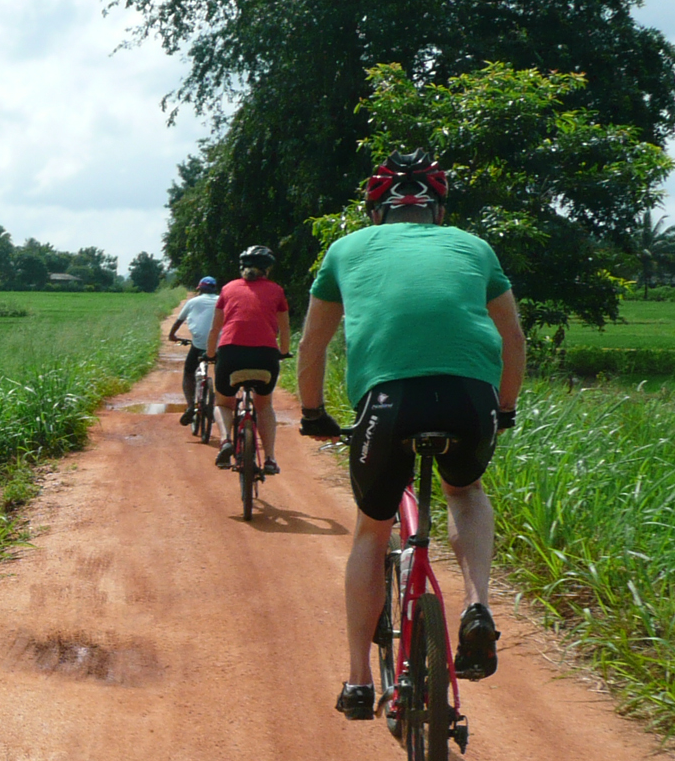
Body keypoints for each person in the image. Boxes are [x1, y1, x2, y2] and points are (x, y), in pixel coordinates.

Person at [295, 148, 526, 721]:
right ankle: (477, 606)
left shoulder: (345, 249)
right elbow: (514, 338)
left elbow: (312, 345)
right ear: (436, 210)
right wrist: (504, 410)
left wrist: (312, 413)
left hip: (389, 402)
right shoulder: (474, 247)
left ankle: (356, 683)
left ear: (377, 212)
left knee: (372, 531)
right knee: (465, 492)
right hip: (470, 397)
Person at [208, 246, 291, 473]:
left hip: (230, 352)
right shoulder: (276, 290)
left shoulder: (227, 289)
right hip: (265, 355)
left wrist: (210, 355)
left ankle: (225, 440)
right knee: (264, 406)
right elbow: (284, 330)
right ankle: (271, 459)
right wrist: (283, 352)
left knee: (224, 403)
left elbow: (216, 329)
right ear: (267, 269)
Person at [167, 277, 222, 426]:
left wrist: (172, 336)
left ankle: (191, 405)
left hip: (199, 345)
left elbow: (178, 321)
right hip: (220, 344)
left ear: (200, 289)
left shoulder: (192, 302)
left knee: (189, 373)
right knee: (222, 374)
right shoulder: (222, 300)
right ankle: (219, 405)